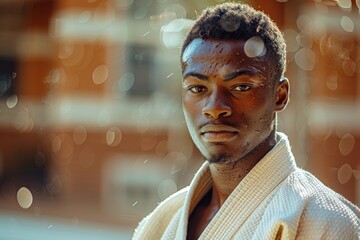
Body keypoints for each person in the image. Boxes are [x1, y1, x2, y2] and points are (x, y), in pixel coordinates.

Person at [132, 2, 360, 239]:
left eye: (240, 86)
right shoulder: (161, 223)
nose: (214, 108)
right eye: (198, 88)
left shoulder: (326, 222)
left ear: (279, 96)